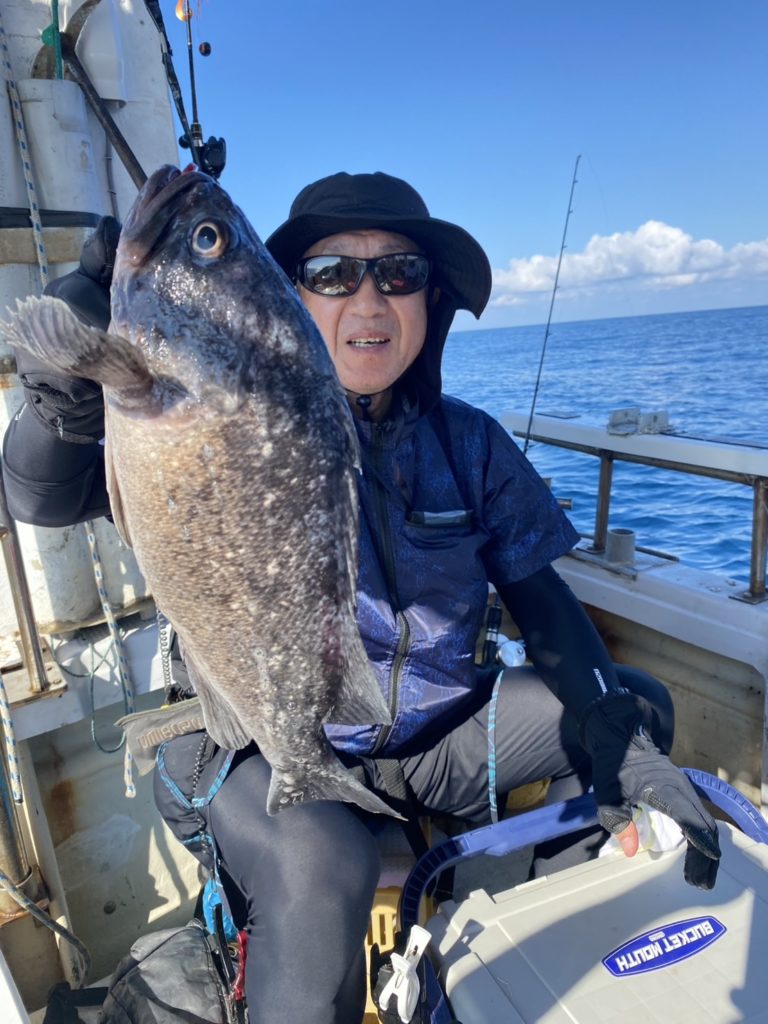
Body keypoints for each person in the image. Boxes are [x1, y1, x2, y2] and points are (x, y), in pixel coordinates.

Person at [2, 171, 720, 1024]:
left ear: (431, 299)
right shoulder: (205, 410)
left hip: (432, 740)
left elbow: (542, 597)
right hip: (247, 732)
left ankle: (513, 957)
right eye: (333, 273)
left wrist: (614, 730)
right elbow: (42, 495)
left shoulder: (471, 445)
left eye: (400, 272)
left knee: (632, 712)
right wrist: (65, 394)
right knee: (322, 860)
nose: (369, 298)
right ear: (290, 298)